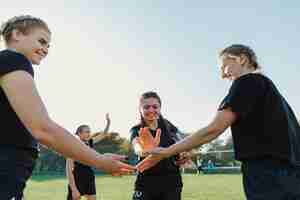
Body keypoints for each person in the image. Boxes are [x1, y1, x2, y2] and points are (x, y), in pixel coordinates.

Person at [138, 44, 300, 200]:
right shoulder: (271, 91)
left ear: (241, 59)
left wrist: (167, 152)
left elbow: (213, 130)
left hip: (267, 172)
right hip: (292, 173)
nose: (222, 75)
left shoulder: (247, 82)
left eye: (224, 67)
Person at [0, 15, 134, 199]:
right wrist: (99, 161)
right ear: (16, 34)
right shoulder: (14, 60)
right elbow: (43, 129)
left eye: (48, 46)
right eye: (41, 41)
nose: (45, 49)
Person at [130, 91, 191, 200]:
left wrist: (184, 154)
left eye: (155, 107)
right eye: (146, 107)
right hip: (145, 183)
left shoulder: (168, 126)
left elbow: (182, 143)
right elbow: (137, 148)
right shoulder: (136, 129)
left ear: (160, 108)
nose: (151, 110)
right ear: (140, 109)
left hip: (172, 184)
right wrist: (147, 150)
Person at [67, 114, 119, 200]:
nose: (89, 134)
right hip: (77, 179)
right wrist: (74, 189)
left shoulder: (90, 143)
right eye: (86, 132)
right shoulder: (73, 146)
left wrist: (108, 123)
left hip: (89, 177)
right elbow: (69, 170)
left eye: (89, 132)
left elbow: (104, 134)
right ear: (79, 133)